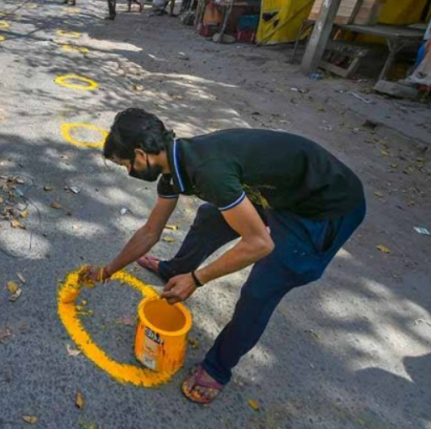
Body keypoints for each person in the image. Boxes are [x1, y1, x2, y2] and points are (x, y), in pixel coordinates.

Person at [86, 108, 366, 405]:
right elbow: (150, 231)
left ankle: (217, 369)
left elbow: (259, 244)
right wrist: (108, 269)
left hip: (325, 206)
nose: (129, 172)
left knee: (263, 287)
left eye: (126, 165)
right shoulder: (176, 165)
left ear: (141, 155)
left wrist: (196, 279)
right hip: (283, 192)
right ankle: (174, 270)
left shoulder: (209, 172)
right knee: (211, 217)